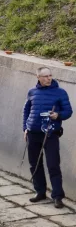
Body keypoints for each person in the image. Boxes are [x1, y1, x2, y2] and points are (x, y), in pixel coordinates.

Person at [24, 67, 72, 208]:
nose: (49, 78)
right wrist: (25, 128)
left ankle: (57, 197)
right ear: (38, 77)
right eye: (45, 76)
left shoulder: (60, 92)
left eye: (50, 75)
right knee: (34, 164)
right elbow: (26, 110)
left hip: (51, 134)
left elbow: (68, 111)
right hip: (33, 133)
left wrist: (58, 115)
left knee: (53, 165)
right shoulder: (32, 92)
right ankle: (40, 192)